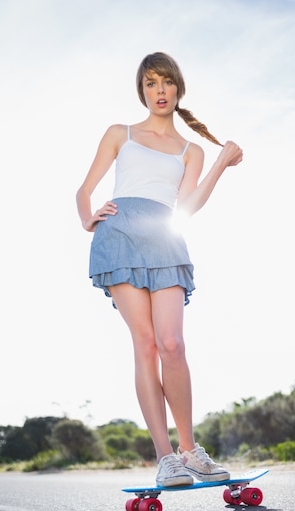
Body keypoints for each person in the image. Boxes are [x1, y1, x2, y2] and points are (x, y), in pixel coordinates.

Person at [76, 52, 243, 487]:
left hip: (164, 238)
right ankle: (165, 457)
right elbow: (84, 189)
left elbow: (186, 206)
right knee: (146, 344)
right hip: (119, 238)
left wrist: (221, 163)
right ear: (142, 91)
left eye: (166, 82)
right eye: (150, 83)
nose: (159, 90)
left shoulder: (192, 151)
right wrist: (87, 216)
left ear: (178, 87)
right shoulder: (120, 133)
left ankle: (190, 451)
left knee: (173, 344)